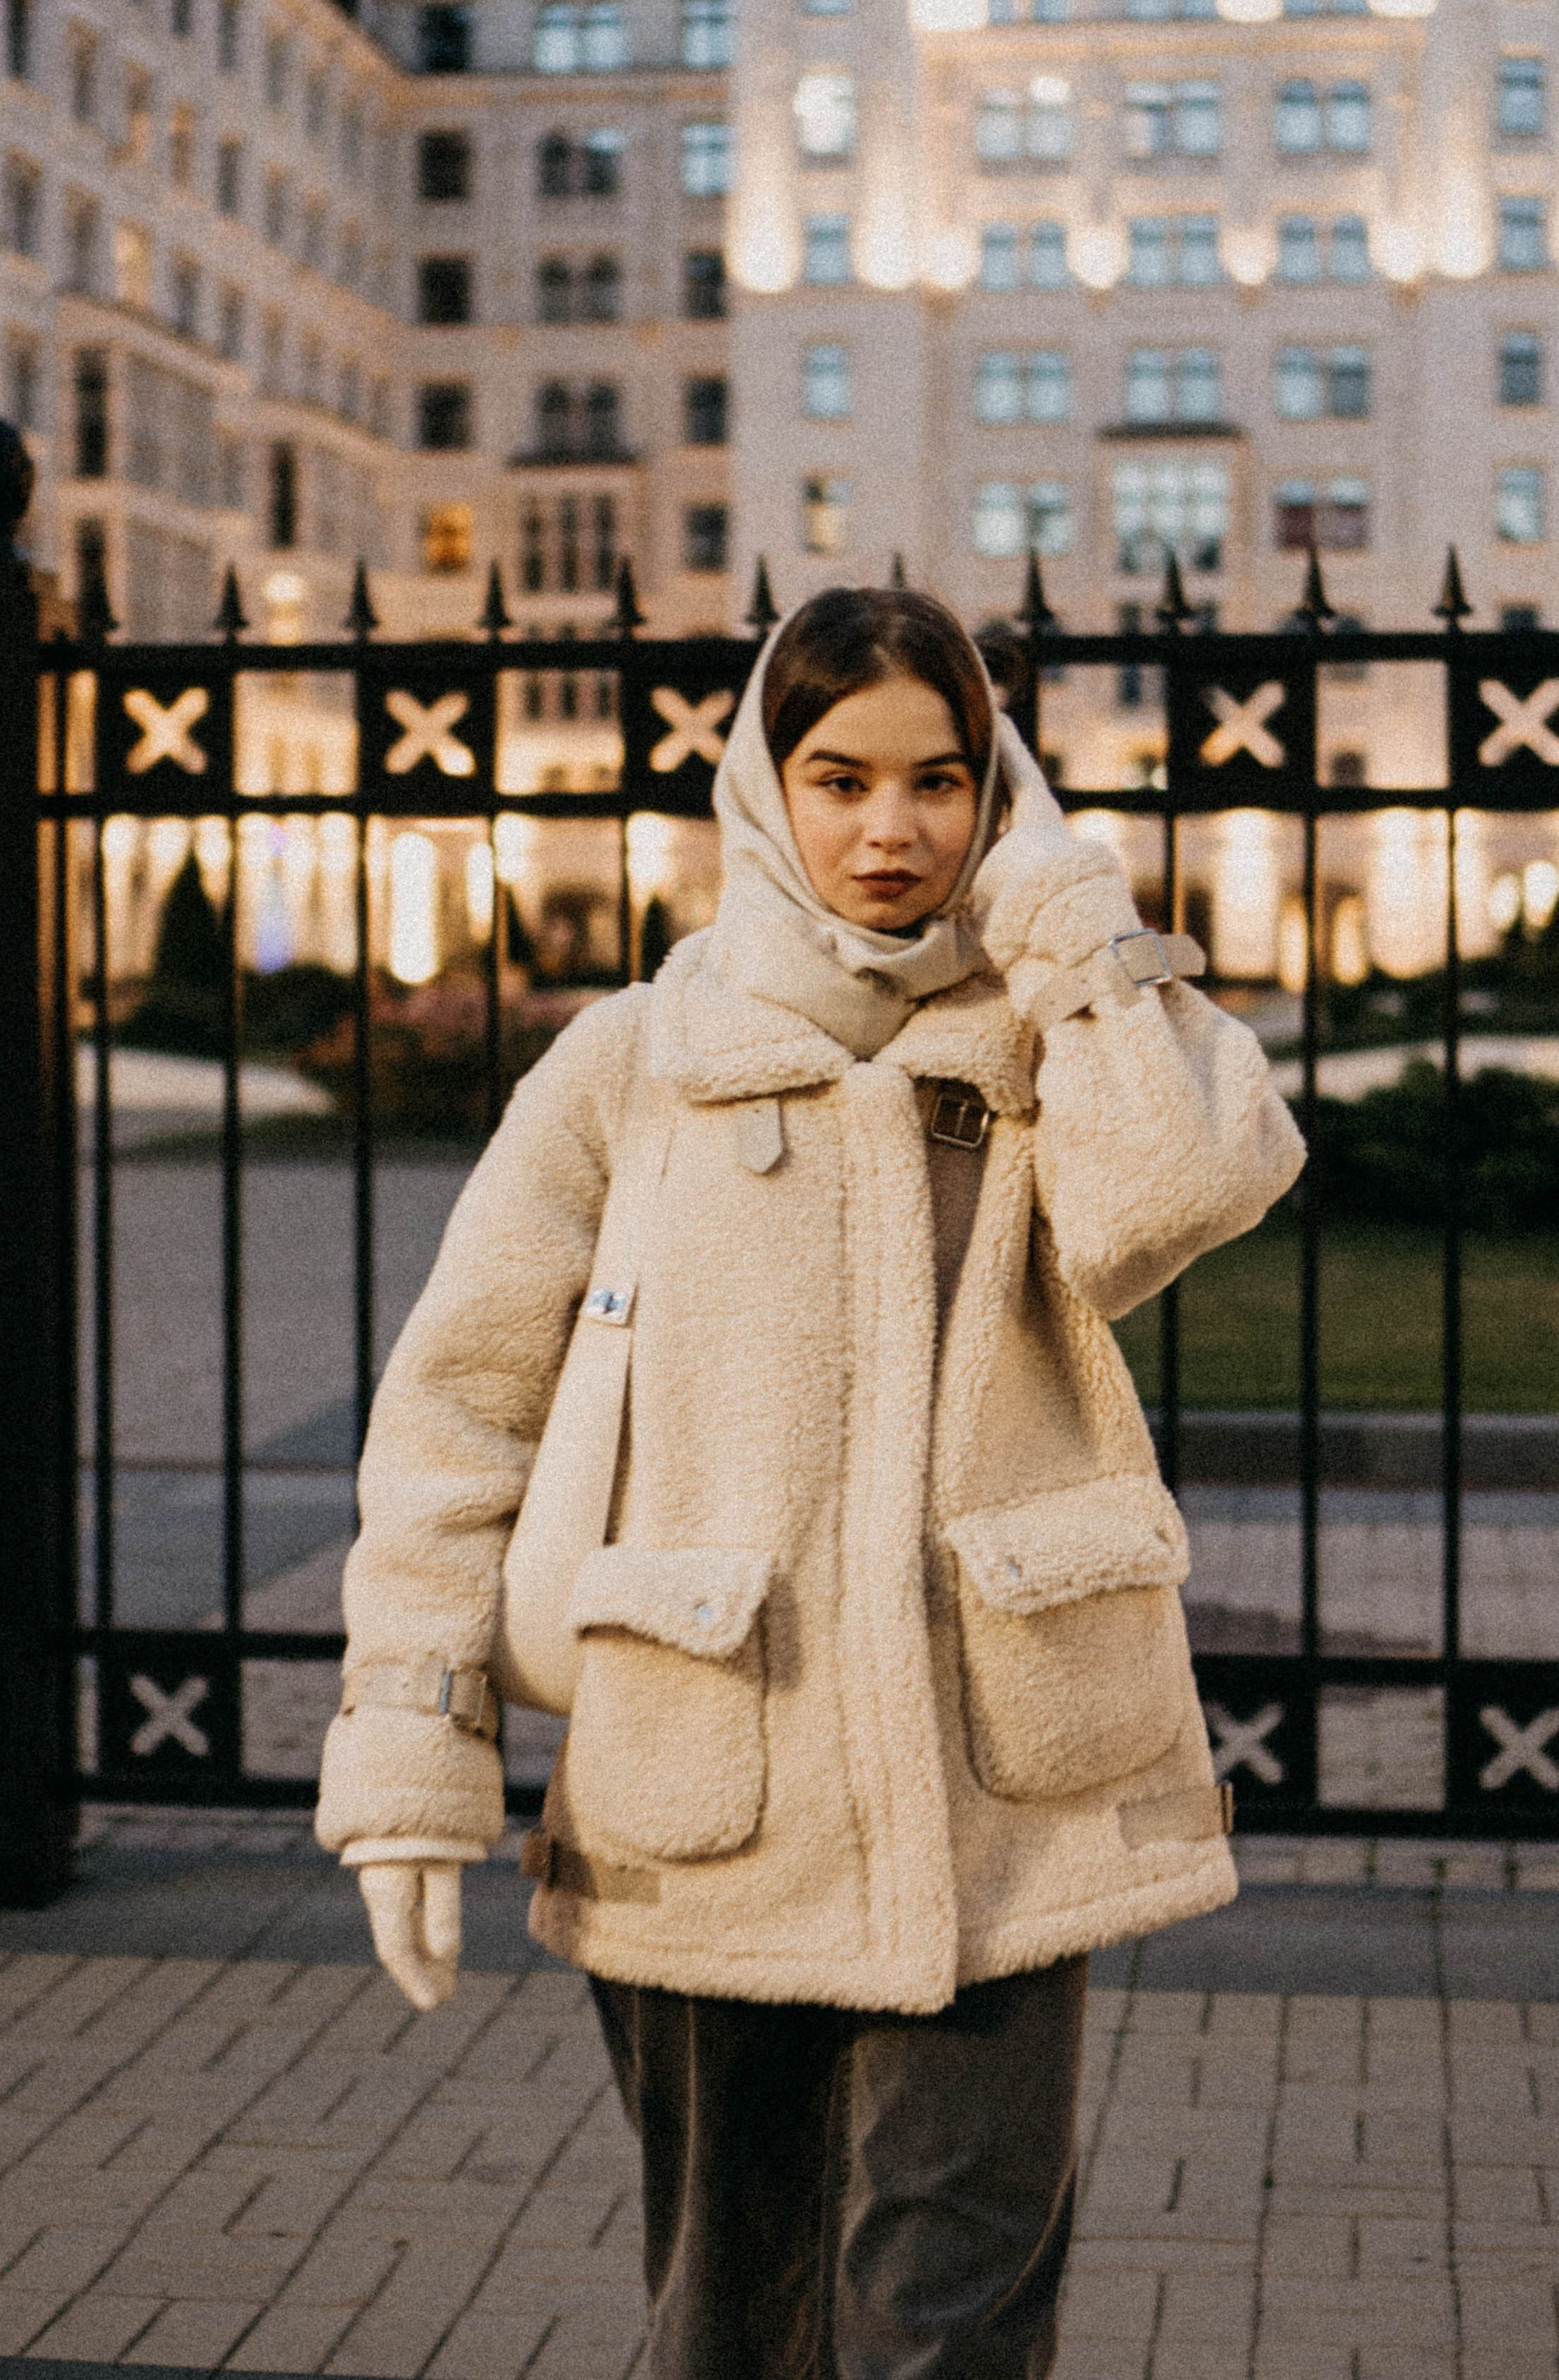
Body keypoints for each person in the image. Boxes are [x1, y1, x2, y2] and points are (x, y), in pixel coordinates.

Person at [318, 586, 1304, 2378]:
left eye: (940, 779)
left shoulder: (1043, 1032)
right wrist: (411, 1751)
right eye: (838, 777)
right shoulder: (633, 1061)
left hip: (1012, 1783)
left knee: (952, 2324)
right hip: (705, 1775)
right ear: (764, 790)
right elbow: (459, 1416)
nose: (890, 828)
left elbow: (1178, 1194)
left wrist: (1069, 930)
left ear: (995, 792)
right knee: (732, 2315)